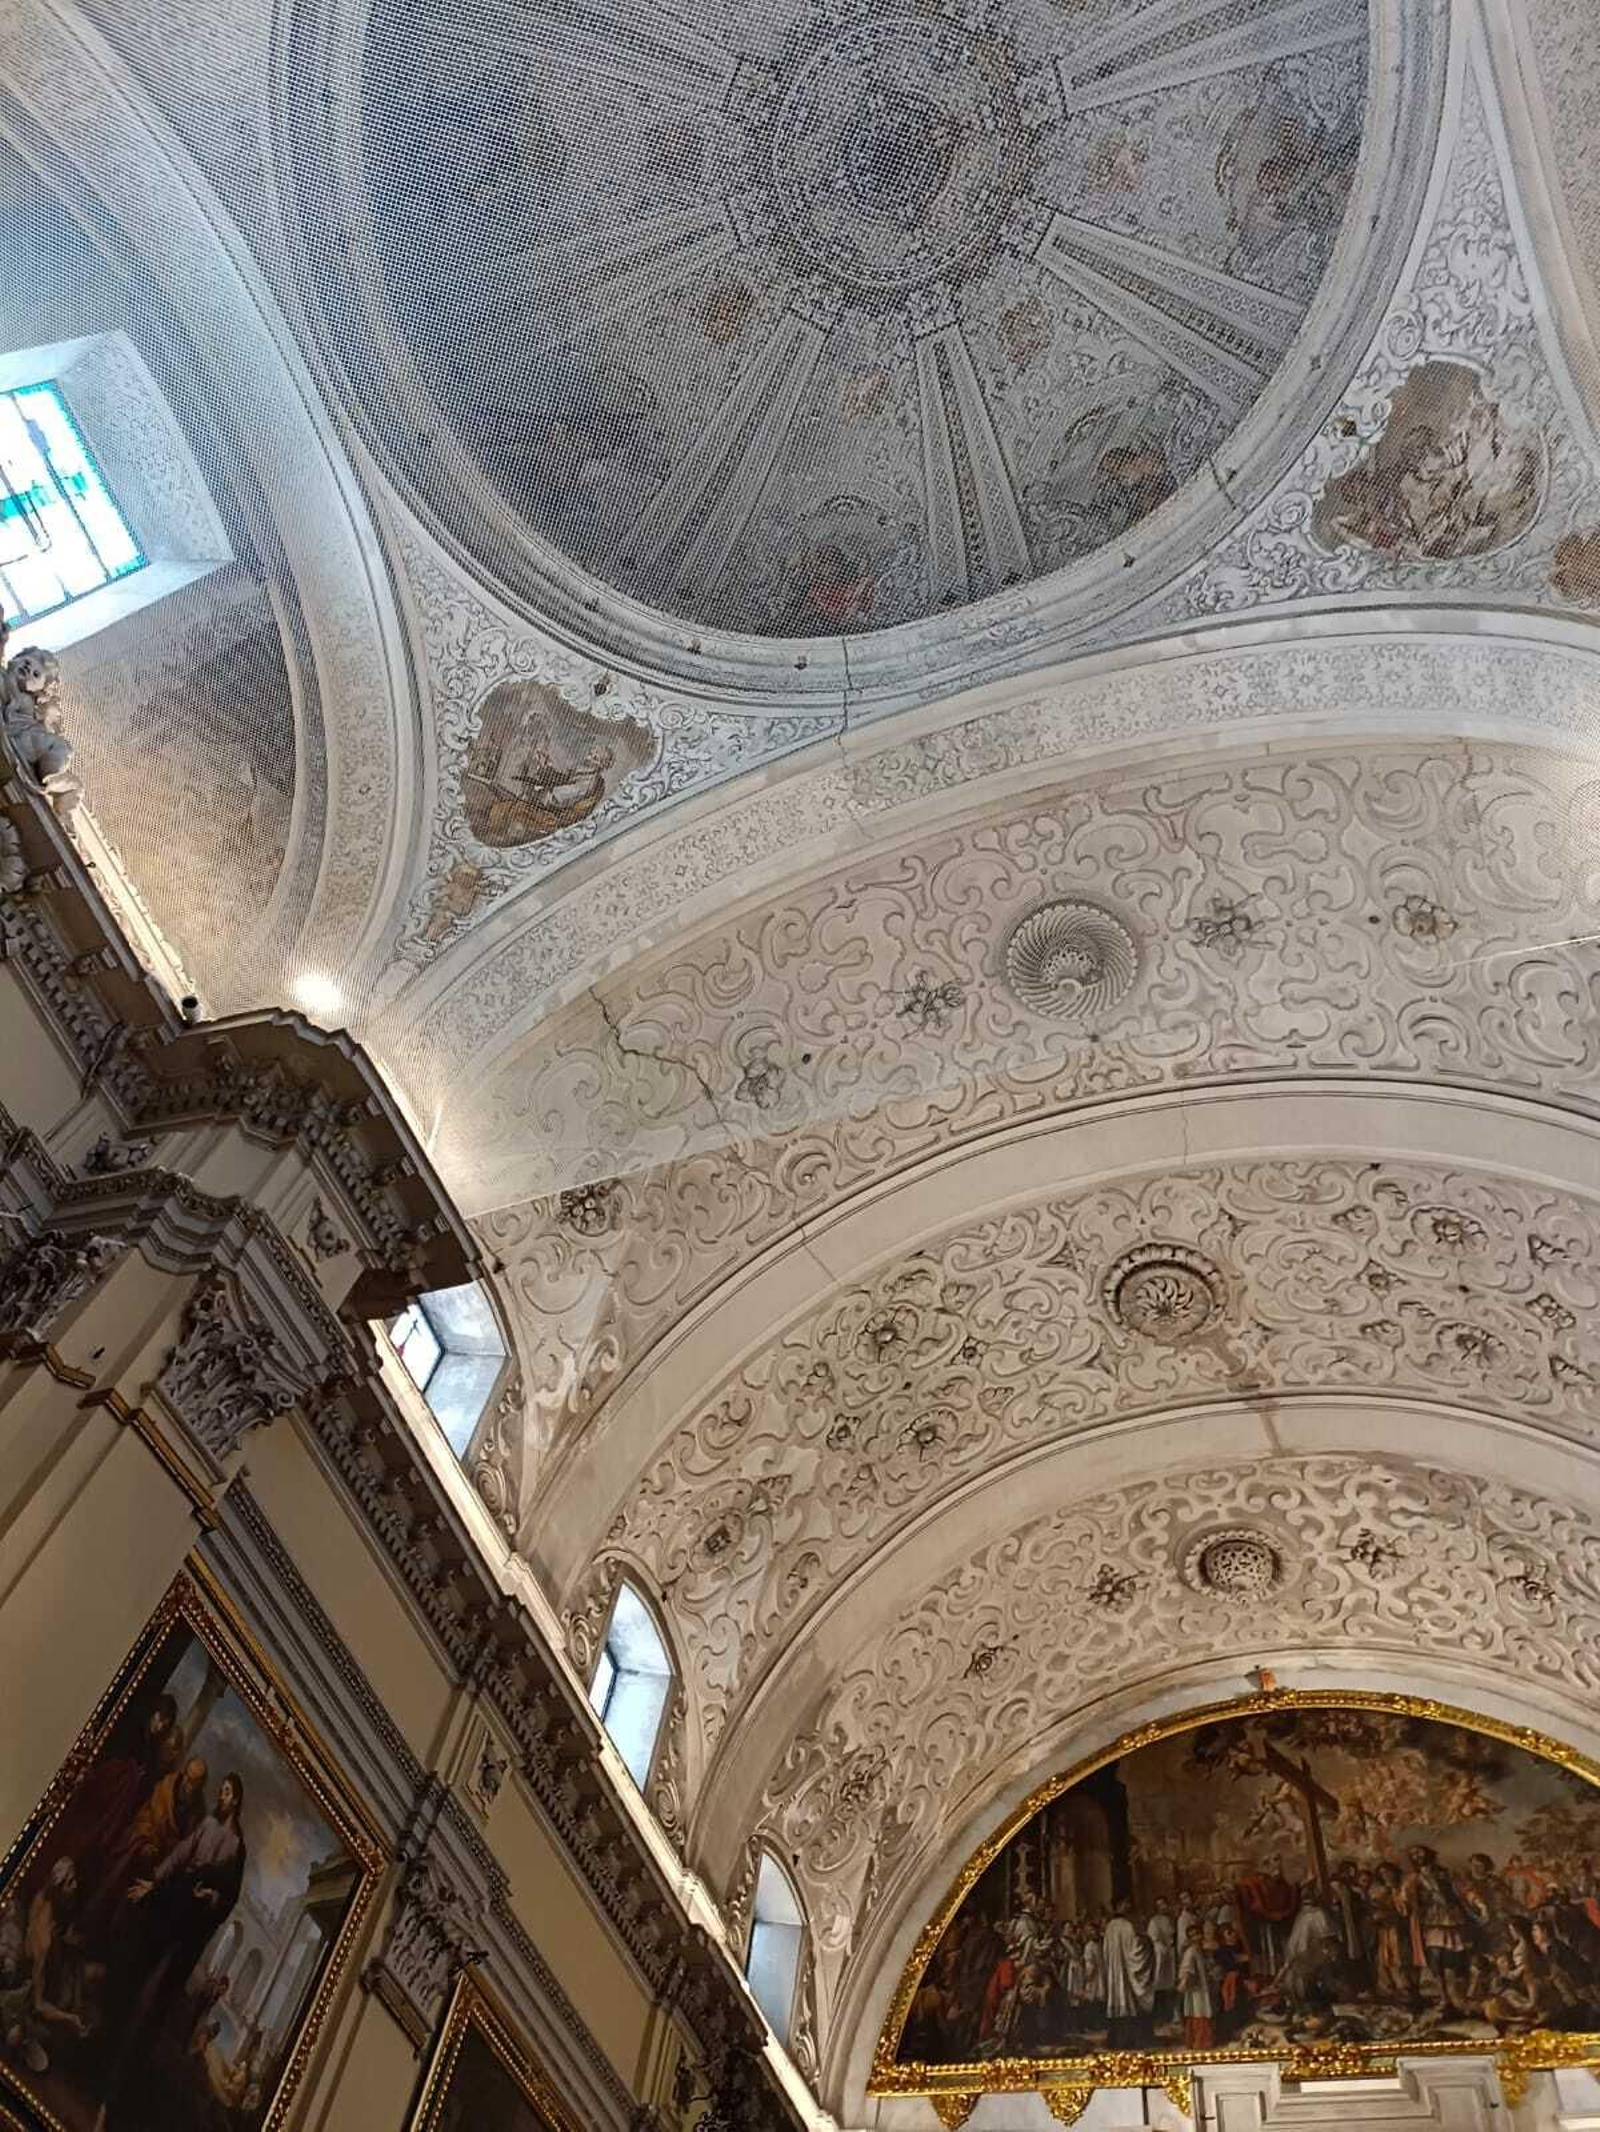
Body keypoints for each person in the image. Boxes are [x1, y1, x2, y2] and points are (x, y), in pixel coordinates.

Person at [1402, 1846, 1473, 2013]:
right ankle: (1443, 1997)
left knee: (1452, 1959)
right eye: (1413, 1855)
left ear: (1428, 1854)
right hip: (1431, 1921)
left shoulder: (1445, 1873)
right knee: (1434, 1959)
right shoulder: (1414, 1878)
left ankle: (1455, 1997)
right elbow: (1404, 1898)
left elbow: (1462, 1890)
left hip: (1451, 1919)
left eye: (1419, 1852)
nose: (1417, 1856)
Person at [1102, 1902, 1157, 2048]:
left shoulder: (1109, 1927)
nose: (1126, 1907)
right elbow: (1136, 1950)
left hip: (1116, 1973)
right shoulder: (1127, 1926)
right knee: (1130, 2002)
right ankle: (1131, 2040)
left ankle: (1119, 2040)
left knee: (1121, 2000)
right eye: (1124, 1905)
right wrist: (1146, 1942)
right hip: (1126, 1973)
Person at [1178, 1925, 1217, 2049]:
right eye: (1193, 1935)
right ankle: (1199, 2043)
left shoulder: (1202, 1950)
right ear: (1190, 1938)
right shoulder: (1191, 1951)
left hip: (1204, 1987)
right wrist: (1183, 1982)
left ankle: (1204, 2042)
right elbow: (1187, 1969)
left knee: (1204, 2013)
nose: (1197, 1937)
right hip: (1196, 1990)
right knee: (1198, 2013)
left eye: (1198, 1934)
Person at [1147, 1901, 1178, 2026]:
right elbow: (1153, 1938)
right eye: (1160, 1905)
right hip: (1159, 1954)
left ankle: (1171, 2015)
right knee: (1159, 1985)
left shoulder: (1170, 1920)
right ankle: (1158, 2017)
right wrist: (1163, 1948)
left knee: (1170, 1986)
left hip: (1170, 1954)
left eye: (1164, 1904)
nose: (1164, 1906)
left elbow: (1173, 1936)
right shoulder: (1154, 1921)